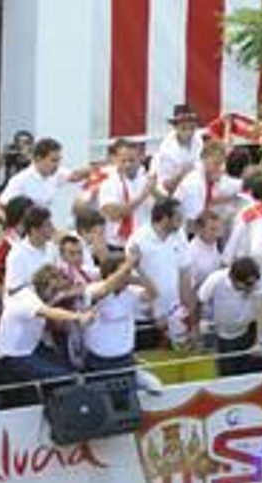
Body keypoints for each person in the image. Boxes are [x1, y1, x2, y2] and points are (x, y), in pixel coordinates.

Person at [0, 266, 92, 391]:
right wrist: (78, 316)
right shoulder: (26, 297)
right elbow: (48, 312)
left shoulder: (37, 295)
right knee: (70, 378)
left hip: (30, 350)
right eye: (54, 290)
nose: (56, 294)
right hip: (14, 357)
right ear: (44, 286)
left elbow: (58, 297)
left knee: (69, 369)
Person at [128, 198, 194, 347]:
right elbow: (133, 281)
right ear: (165, 218)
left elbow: (185, 273)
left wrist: (187, 312)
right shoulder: (137, 241)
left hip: (175, 315)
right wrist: (156, 313)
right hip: (148, 318)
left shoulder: (180, 235)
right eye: (178, 217)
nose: (182, 221)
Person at [0, 137, 89, 212]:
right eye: (53, 160)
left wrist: (99, 169)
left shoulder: (56, 173)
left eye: (59, 160)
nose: (57, 164)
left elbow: (75, 175)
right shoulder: (20, 180)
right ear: (38, 159)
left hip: (42, 224)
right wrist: (13, 230)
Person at [97, 139, 153, 251]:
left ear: (140, 158)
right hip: (118, 245)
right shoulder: (109, 184)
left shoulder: (148, 180)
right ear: (116, 160)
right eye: (123, 161)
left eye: (132, 160)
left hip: (144, 244)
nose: (128, 165)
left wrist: (155, 191)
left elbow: (167, 207)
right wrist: (142, 196)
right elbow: (114, 213)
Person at [3, 206, 57, 295]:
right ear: (34, 230)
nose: (53, 228)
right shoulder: (17, 254)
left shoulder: (52, 248)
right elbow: (13, 291)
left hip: (50, 299)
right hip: (26, 304)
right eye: (48, 225)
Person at [152, 103, 205, 196]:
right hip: (173, 195)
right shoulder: (166, 150)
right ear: (175, 127)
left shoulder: (198, 139)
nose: (189, 132)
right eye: (184, 128)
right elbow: (164, 187)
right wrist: (181, 174)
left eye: (192, 128)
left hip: (196, 189)